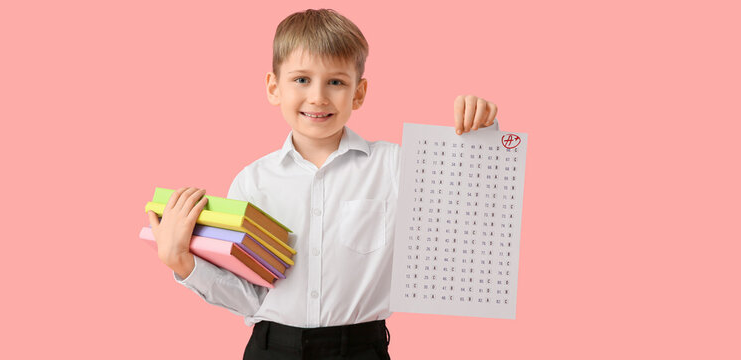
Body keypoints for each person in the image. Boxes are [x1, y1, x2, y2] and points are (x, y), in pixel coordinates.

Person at [146, 8, 499, 360]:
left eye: (336, 82)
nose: (318, 96)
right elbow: (251, 299)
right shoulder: (253, 182)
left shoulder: (394, 166)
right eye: (301, 79)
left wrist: (480, 137)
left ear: (358, 93)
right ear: (274, 87)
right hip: (272, 348)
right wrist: (182, 262)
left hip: (361, 349)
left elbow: (468, 218)